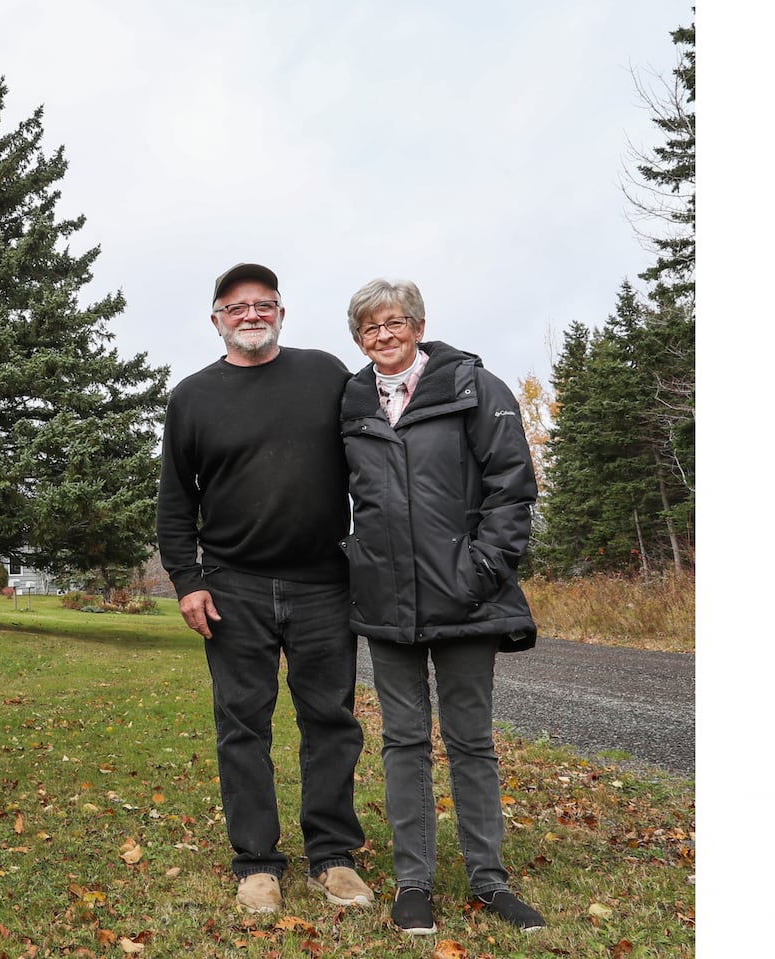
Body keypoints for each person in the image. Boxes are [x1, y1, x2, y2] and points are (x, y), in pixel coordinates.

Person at [157, 263, 372, 915]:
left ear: (281, 312)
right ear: (217, 319)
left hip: (323, 584)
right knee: (242, 725)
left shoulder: (325, 375)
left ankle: (333, 857)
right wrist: (187, 581)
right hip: (233, 587)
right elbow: (174, 504)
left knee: (330, 722)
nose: (251, 314)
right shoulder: (193, 397)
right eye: (237, 305)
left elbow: (372, 460)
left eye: (264, 304)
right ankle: (256, 862)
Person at [338, 277, 545, 936]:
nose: (384, 335)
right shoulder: (348, 402)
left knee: (470, 742)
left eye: (395, 322)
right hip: (386, 605)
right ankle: (414, 882)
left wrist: (482, 569)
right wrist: (353, 558)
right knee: (403, 743)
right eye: (370, 328)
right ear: (359, 338)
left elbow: (512, 488)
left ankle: (489, 878)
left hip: (465, 599)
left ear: (418, 325)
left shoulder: (473, 388)